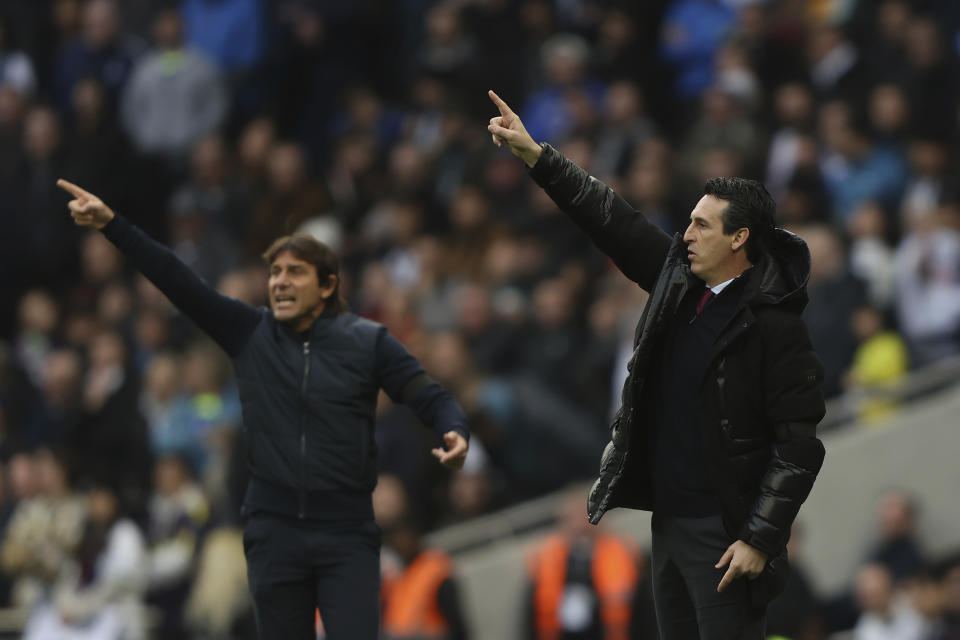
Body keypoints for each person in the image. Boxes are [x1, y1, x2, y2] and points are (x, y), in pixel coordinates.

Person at [56, 178, 470, 640]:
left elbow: (428, 394)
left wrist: (453, 428)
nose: (279, 281)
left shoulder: (367, 343)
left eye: (294, 272)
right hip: (276, 535)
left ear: (327, 284)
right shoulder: (249, 333)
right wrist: (114, 226)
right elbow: (178, 280)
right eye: (274, 273)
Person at [487, 90, 826, 639]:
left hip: (724, 538)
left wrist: (761, 538)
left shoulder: (776, 327)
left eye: (701, 227)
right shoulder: (678, 284)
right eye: (688, 221)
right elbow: (613, 220)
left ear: (739, 239)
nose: (685, 236)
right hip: (667, 526)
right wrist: (537, 156)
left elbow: (800, 444)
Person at [523, 489, 641, 640]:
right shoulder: (544, 561)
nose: (580, 524)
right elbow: (529, 617)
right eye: (573, 517)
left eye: (586, 515)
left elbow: (642, 610)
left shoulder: (624, 554)